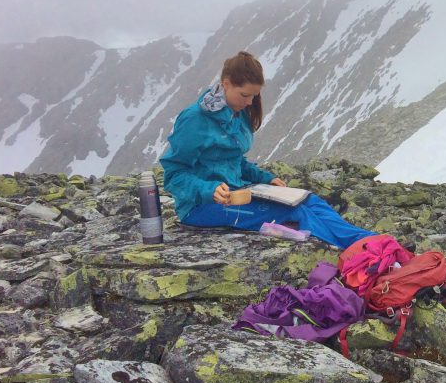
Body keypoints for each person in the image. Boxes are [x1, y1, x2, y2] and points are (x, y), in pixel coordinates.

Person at [160, 51, 375, 249]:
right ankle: (359, 252)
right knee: (296, 214)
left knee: (309, 200)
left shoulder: (237, 112)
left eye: (254, 95)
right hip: (200, 207)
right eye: (245, 95)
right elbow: (173, 175)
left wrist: (265, 178)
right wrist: (209, 189)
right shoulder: (194, 120)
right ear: (226, 84)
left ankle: (371, 242)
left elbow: (234, 161)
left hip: (239, 193)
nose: (250, 102)